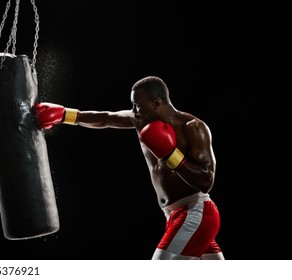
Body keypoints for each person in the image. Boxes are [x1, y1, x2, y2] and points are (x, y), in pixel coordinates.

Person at [35, 76, 224, 260]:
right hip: (175, 215)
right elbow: (106, 118)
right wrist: (64, 115)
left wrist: (170, 155)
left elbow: (206, 182)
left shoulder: (192, 127)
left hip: (195, 212)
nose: (134, 111)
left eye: (137, 105)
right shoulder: (140, 120)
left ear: (156, 102)